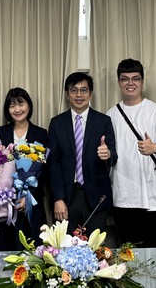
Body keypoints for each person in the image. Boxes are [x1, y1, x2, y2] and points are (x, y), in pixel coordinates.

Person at [107, 58, 156, 247]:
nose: (130, 83)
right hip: (123, 197)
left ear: (142, 82)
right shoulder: (111, 115)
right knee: (129, 262)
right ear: (119, 82)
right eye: (125, 79)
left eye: (135, 79)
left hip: (155, 198)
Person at [48, 72, 117, 236]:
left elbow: (114, 156)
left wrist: (107, 154)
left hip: (96, 197)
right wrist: (58, 198)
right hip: (66, 198)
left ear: (90, 93)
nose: (79, 95)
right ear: (67, 94)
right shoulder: (57, 123)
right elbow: (53, 163)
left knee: (97, 252)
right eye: (74, 90)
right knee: (65, 251)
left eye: (84, 90)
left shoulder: (103, 121)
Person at [0, 87, 48, 251]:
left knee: (31, 254)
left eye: (21, 104)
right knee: (2, 255)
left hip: (30, 204)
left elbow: (42, 173)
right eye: (12, 106)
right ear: (7, 109)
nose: (17, 109)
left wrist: (29, 197)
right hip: (3, 203)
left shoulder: (40, 134)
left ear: (29, 106)